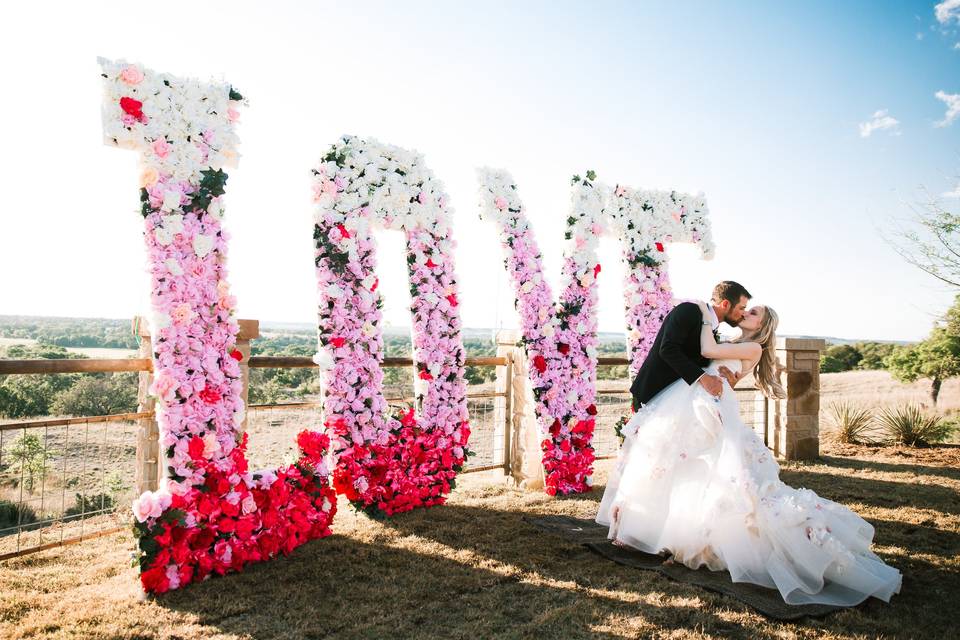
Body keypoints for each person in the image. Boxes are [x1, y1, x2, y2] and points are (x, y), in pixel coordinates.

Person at [597, 282, 902, 606]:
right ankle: (671, 534)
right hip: (699, 405)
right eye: (745, 308)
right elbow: (702, 354)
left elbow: (707, 352)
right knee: (693, 473)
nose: (745, 313)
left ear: (762, 326)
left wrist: (704, 315)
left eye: (752, 312)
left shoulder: (750, 348)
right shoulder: (729, 340)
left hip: (712, 409)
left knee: (727, 478)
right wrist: (706, 323)